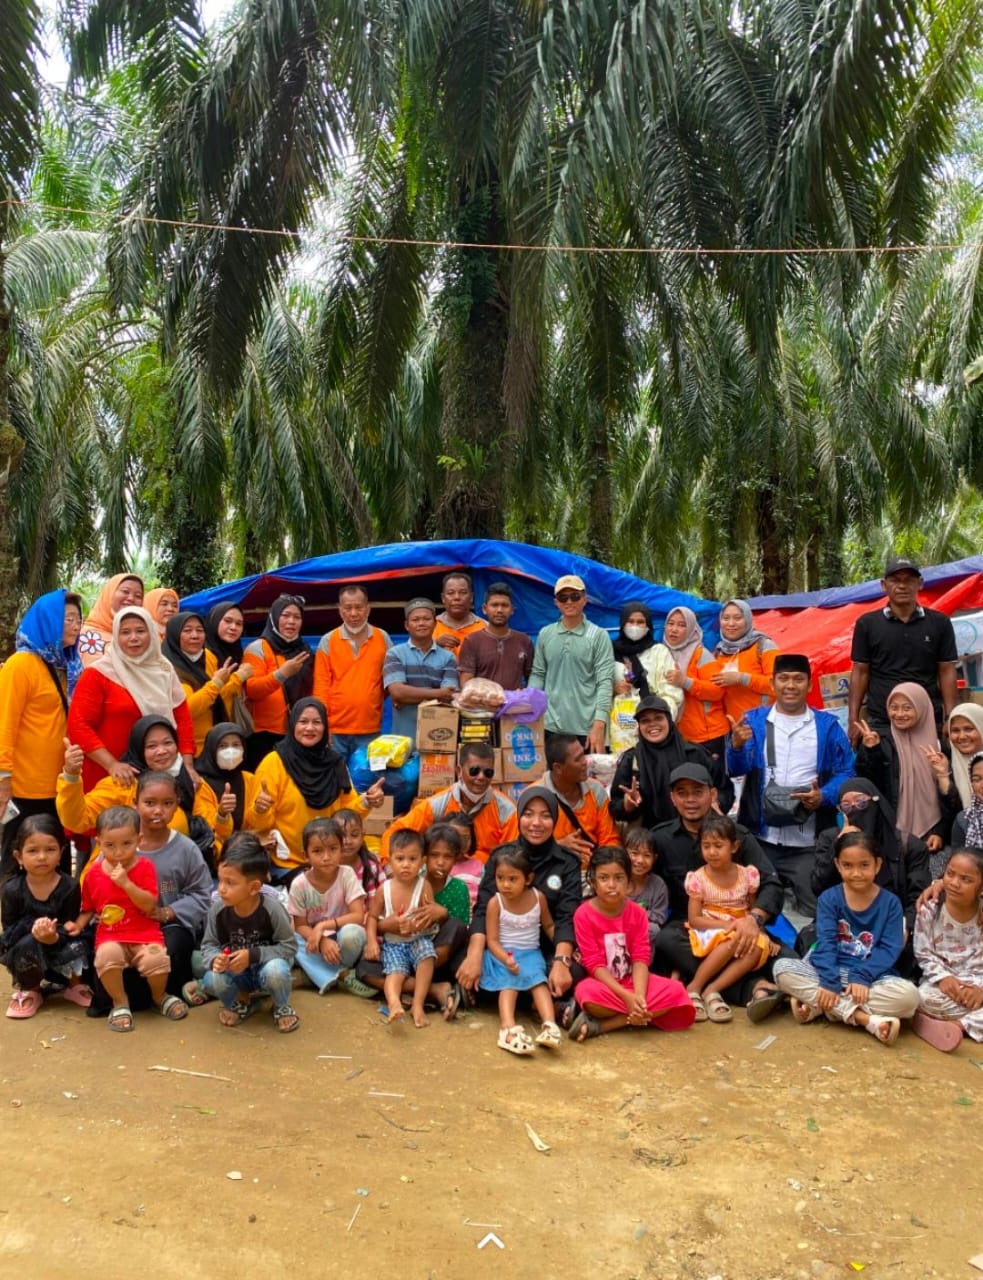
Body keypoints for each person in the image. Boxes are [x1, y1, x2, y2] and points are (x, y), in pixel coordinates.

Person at [652, 764, 787, 1016]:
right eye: (682, 793)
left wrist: (754, 920)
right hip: (691, 927)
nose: (690, 800)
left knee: (784, 957)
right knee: (665, 942)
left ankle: (701, 983)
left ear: (712, 794)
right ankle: (751, 988)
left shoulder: (738, 836)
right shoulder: (660, 838)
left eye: (697, 792)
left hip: (743, 921)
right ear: (672, 798)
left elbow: (771, 883)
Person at [726, 654, 854, 918]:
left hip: (807, 843)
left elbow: (846, 772)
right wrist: (736, 747)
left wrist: (824, 796)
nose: (790, 685)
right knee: (750, 908)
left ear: (810, 685)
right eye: (783, 679)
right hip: (761, 840)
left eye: (798, 679)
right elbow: (736, 769)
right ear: (772, 684)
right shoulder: (753, 721)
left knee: (816, 911)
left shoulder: (827, 726)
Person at [772, 832, 920, 1045]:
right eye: (848, 866)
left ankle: (821, 1007)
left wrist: (862, 976)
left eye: (864, 865)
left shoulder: (891, 903)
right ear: (837, 865)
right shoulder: (829, 898)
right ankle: (864, 1019)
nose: (856, 873)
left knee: (909, 999)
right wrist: (830, 982)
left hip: (872, 978)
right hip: (828, 971)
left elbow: (890, 948)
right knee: (782, 969)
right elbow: (826, 944)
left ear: (878, 865)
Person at [456, 787, 582, 1013]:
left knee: (574, 973)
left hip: (542, 950)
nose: (536, 823)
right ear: (519, 816)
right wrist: (474, 956)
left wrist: (562, 961)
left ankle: (502, 995)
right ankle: (540, 1001)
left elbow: (566, 917)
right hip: (501, 949)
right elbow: (483, 908)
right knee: (462, 961)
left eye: (545, 816)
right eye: (528, 814)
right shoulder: (501, 855)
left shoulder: (567, 863)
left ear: (555, 819)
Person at [64, 805, 188, 1031]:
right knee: (106, 957)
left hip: (145, 934)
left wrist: (126, 884)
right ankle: (120, 1003)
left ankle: (159, 996)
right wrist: (78, 925)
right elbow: (89, 908)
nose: (118, 852)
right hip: (111, 935)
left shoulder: (145, 867)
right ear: (99, 842)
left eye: (126, 844)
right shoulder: (92, 874)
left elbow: (149, 904)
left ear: (138, 840)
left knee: (156, 960)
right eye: (110, 845)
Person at [569, 847, 695, 1041]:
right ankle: (639, 1014)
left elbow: (640, 958)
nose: (612, 885)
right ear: (593, 882)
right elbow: (594, 964)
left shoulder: (637, 913)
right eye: (603, 878)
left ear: (628, 881)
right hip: (604, 984)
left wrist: (639, 997)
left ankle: (603, 1025)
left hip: (634, 981)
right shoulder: (583, 914)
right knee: (586, 993)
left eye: (619, 878)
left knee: (677, 991)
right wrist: (627, 998)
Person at [250, 698, 384, 878]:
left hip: (331, 862)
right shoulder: (273, 764)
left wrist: (367, 801)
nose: (309, 728)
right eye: (303, 721)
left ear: (325, 727)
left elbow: (346, 814)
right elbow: (257, 825)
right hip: (289, 865)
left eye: (317, 722)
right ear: (292, 724)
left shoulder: (334, 763)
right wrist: (260, 810)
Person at [67, 607, 196, 793]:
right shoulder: (98, 673)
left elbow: (182, 721)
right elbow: (78, 725)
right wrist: (112, 764)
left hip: (160, 773)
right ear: (115, 636)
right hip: (108, 775)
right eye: (125, 632)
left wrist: (188, 766)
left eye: (140, 631)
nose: (133, 638)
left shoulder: (164, 669)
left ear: (151, 633)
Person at [0, 588, 83, 874]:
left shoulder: (66, 666)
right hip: (25, 788)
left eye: (78, 619)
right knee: (20, 864)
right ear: (48, 621)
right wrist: (3, 778)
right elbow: (4, 724)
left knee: (56, 863)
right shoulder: (21, 664)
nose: (75, 625)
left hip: (58, 785)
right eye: (67, 619)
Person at [355, 823, 470, 1014]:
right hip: (396, 949)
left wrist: (441, 915)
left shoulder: (455, 888)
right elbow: (374, 919)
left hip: (433, 954)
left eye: (447, 856)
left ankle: (415, 990)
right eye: (434, 855)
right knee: (364, 969)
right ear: (426, 858)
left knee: (455, 926)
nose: (440, 862)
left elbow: (458, 933)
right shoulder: (396, 883)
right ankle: (434, 990)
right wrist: (387, 926)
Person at [58, 716, 214, 849]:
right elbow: (77, 820)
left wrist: (221, 819)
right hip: (122, 868)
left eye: (168, 743)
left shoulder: (191, 780)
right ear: (138, 748)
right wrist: (71, 775)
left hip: (178, 868)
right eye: (151, 746)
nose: (162, 751)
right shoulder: (122, 784)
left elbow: (213, 826)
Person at [848, 555, 958, 740]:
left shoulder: (940, 623)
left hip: (927, 720)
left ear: (920, 584)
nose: (902, 586)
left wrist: (951, 717)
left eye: (909, 580)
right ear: (884, 585)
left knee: (932, 760)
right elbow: (860, 672)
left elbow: (946, 670)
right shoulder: (867, 624)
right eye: (895, 580)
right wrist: (853, 719)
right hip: (882, 722)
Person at [811, 778, 930, 948]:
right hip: (841, 925)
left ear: (876, 802)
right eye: (846, 806)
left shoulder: (909, 846)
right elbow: (818, 886)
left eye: (861, 802)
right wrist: (838, 846)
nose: (854, 810)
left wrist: (906, 926)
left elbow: (919, 896)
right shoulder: (830, 839)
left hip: (892, 924)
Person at [200, 832, 299, 1032]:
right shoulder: (217, 909)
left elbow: (289, 947)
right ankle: (240, 1002)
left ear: (254, 887)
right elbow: (208, 945)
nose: (221, 889)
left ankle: (281, 1006)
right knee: (211, 979)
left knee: (276, 970)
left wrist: (252, 955)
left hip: (266, 970)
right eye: (220, 880)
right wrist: (215, 959)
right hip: (237, 974)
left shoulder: (272, 909)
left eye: (230, 883)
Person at [0, 816, 90, 1019]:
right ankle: (31, 989)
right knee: (27, 945)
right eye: (33, 851)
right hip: (26, 946)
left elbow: (70, 924)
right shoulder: (12, 890)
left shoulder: (70, 886)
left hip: (59, 942)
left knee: (80, 942)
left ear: (61, 853)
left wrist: (54, 936)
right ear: (18, 856)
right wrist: (35, 930)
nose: (42, 857)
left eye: (50, 849)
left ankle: (74, 985)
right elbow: (8, 933)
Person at [684, 815, 772, 1023]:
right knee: (734, 937)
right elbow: (694, 919)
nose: (712, 852)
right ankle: (695, 986)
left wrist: (761, 932)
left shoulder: (747, 875)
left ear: (734, 846)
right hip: (712, 927)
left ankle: (712, 989)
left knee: (758, 946)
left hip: (743, 925)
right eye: (706, 846)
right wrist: (729, 925)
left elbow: (751, 910)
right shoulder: (698, 879)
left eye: (718, 845)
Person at [132, 771, 212, 996]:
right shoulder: (121, 843)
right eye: (149, 803)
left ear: (177, 804)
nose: (158, 811)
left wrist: (168, 912)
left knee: (172, 950)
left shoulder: (186, 849)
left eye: (167, 803)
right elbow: (99, 882)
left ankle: (167, 995)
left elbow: (201, 893)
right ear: (135, 802)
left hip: (171, 926)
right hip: (127, 926)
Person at [854, 683, 957, 855]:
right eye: (894, 708)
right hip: (893, 837)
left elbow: (952, 800)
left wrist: (940, 832)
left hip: (933, 837)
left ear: (922, 709)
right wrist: (871, 751)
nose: (899, 714)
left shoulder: (939, 748)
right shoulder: (882, 743)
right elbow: (871, 786)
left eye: (907, 708)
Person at [479, 845, 561, 1054]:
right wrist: (505, 958)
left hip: (531, 953)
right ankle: (507, 1028)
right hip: (502, 954)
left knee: (539, 982)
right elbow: (492, 940)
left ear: (528, 878)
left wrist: (562, 947)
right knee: (509, 984)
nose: (505, 884)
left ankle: (550, 1026)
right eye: (500, 878)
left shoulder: (538, 897)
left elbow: (549, 925)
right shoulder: (495, 903)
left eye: (512, 879)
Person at [381, 743, 517, 863]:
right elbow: (395, 831)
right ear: (459, 771)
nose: (481, 777)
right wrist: (389, 866)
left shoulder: (507, 810)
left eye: (488, 772)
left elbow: (511, 855)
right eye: (474, 771)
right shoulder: (438, 804)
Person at [610, 696, 732, 830]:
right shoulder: (632, 760)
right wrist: (627, 805)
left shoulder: (694, 753)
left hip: (697, 833)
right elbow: (615, 807)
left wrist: (714, 803)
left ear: (669, 720)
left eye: (658, 718)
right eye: (645, 721)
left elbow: (725, 789)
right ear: (639, 726)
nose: (652, 724)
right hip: (650, 837)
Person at [528, 574, 614, 753]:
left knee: (586, 771)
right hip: (550, 726)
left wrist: (599, 724)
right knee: (552, 770)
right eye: (563, 597)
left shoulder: (598, 635)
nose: (569, 602)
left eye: (575, 596)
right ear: (556, 602)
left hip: (586, 728)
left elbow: (605, 682)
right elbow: (538, 674)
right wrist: (530, 707)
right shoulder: (546, 634)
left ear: (584, 599)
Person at [912, 848, 983, 1050]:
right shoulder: (930, 909)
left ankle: (957, 1026)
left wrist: (980, 990)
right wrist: (943, 978)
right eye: (950, 874)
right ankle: (970, 1022)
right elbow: (923, 953)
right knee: (922, 998)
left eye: (966, 880)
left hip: (977, 984)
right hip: (941, 984)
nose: (954, 883)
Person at [288, 818, 368, 995]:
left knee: (352, 934)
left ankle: (315, 973)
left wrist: (323, 926)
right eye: (317, 851)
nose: (326, 857)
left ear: (341, 850)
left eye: (333, 849)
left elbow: (358, 915)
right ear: (306, 855)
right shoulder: (299, 884)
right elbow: (300, 926)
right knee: (290, 939)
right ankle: (343, 976)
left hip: (340, 936)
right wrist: (322, 941)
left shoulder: (346, 874)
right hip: (314, 941)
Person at [364, 829, 436, 1027]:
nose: (406, 864)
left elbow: (429, 917)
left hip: (418, 939)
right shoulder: (384, 889)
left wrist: (415, 925)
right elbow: (372, 917)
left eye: (412, 859)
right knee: (395, 973)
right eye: (400, 858)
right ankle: (394, 1003)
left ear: (422, 861)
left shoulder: (424, 886)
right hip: (393, 944)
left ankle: (418, 1005)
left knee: (427, 957)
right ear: (389, 861)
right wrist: (371, 941)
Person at [312, 584, 392, 764]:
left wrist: (371, 698)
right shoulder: (328, 641)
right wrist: (321, 724)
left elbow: (391, 681)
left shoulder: (382, 638)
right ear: (340, 610)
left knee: (367, 777)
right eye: (348, 608)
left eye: (359, 607)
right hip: (335, 730)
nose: (354, 613)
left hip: (370, 729)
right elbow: (321, 686)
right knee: (334, 776)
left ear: (368, 609)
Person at [162, 611, 251, 754]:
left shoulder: (208, 657)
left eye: (200, 630)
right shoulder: (166, 667)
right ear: (174, 634)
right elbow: (186, 710)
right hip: (188, 749)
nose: (195, 636)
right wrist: (220, 682)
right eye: (187, 630)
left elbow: (218, 698)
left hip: (215, 742)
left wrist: (232, 681)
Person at [243, 594, 313, 768]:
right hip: (263, 735)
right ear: (274, 617)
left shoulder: (305, 651)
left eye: (297, 617)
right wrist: (281, 674)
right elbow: (252, 690)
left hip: (298, 732)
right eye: (285, 615)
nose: (291, 622)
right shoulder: (258, 648)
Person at [541, 734, 621, 875]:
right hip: (552, 874)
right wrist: (558, 846)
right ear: (558, 768)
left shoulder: (596, 790)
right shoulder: (536, 796)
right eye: (578, 759)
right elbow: (523, 852)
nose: (585, 762)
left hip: (593, 873)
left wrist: (600, 872)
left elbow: (610, 840)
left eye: (583, 755)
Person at [382, 598, 459, 739]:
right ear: (407, 625)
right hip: (403, 740)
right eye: (415, 620)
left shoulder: (449, 657)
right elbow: (397, 692)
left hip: (438, 737)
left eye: (426, 619)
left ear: (435, 623)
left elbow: (448, 697)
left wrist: (407, 697)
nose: (421, 623)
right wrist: (438, 693)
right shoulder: (395, 654)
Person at [662, 606, 728, 757]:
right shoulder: (662, 654)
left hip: (707, 735)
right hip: (678, 736)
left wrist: (685, 682)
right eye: (671, 623)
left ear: (692, 629)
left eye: (681, 625)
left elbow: (717, 691)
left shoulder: (701, 655)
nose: (674, 629)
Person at [194, 722, 265, 852]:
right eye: (223, 746)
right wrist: (222, 815)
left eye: (236, 745)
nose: (230, 751)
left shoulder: (249, 779)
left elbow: (256, 826)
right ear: (212, 749)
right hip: (218, 855)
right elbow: (206, 832)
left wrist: (259, 811)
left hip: (247, 851)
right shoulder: (200, 784)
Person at [711, 599, 778, 723]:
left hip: (765, 724)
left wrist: (742, 678)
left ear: (747, 619)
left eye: (737, 618)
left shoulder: (764, 645)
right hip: (733, 727)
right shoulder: (718, 651)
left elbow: (779, 684)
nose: (731, 623)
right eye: (726, 618)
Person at [457, 582, 533, 689]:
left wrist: (526, 695)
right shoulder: (472, 641)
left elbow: (533, 677)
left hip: (514, 699)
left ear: (512, 610)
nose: (499, 610)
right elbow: (466, 683)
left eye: (505, 605)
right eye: (494, 605)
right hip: (482, 699)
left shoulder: (524, 640)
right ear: (484, 609)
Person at [612, 601, 682, 718]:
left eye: (640, 622)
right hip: (617, 722)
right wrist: (613, 691)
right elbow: (596, 687)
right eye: (630, 621)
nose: (635, 626)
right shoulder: (610, 651)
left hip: (650, 719)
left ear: (648, 626)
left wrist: (656, 716)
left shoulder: (659, 652)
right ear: (623, 624)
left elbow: (672, 694)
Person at [78, 573, 144, 665]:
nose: (131, 598)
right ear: (109, 594)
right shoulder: (87, 636)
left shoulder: (143, 638)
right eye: (125, 591)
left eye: (138, 596)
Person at [203, 601, 253, 724]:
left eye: (239, 624)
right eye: (227, 621)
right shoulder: (206, 655)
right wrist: (239, 677)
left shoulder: (237, 653)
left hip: (231, 723)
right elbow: (212, 698)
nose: (233, 627)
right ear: (215, 620)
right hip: (212, 726)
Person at [624, 828, 669, 962]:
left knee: (653, 929)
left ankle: (641, 964)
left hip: (642, 930)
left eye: (647, 855)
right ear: (624, 853)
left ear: (654, 858)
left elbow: (659, 917)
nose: (640, 860)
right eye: (634, 853)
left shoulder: (658, 885)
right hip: (616, 925)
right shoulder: (617, 878)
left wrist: (635, 912)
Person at [335, 808, 386, 913]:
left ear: (363, 835)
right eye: (341, 836)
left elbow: (385, 895)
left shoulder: (371, 868)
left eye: (354, 835)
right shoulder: (327, 868)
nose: (348, 841)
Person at [433, 572, 487, 653]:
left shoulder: (485, 628)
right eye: (451, 593)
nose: (457, 597)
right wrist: (434, 645)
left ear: (471, 597)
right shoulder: (429, 627)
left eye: (463, 592)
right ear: (443, 598)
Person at [946, 703, 983, 811]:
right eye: (955, 730)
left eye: (968, 729)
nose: (962, 736)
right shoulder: (946, 768)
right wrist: (943, 777)